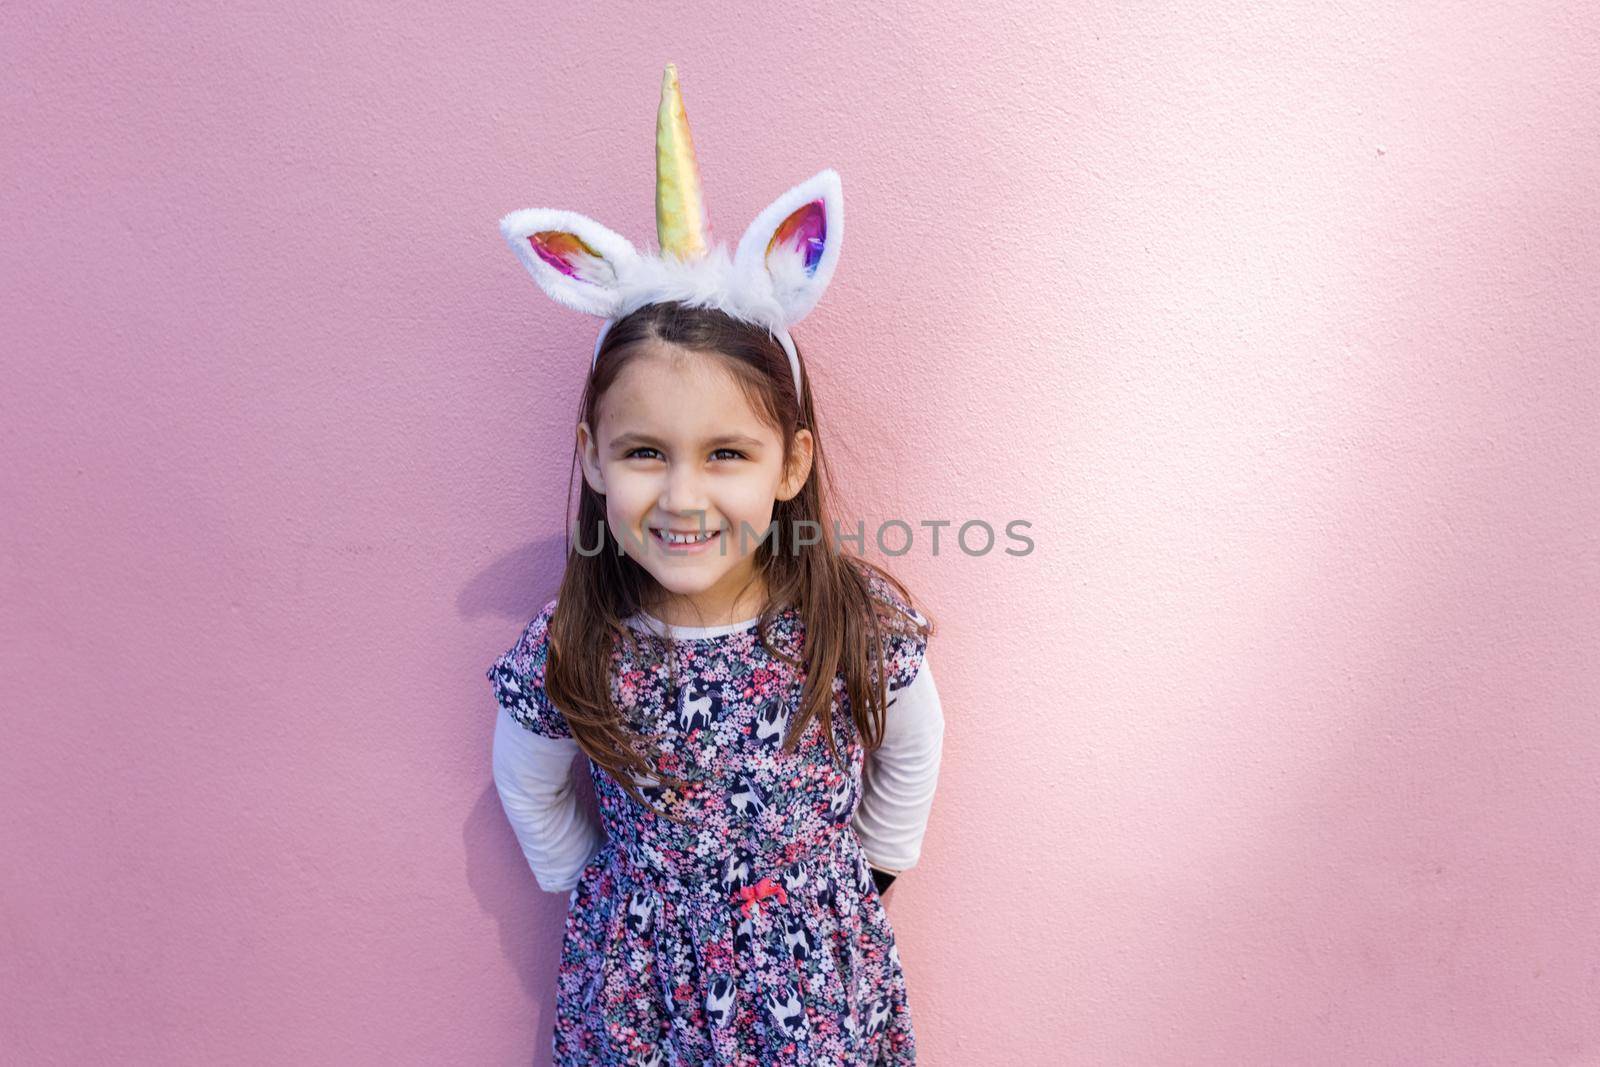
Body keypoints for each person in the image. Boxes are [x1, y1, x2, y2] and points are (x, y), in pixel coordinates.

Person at [486, 62, 945, 1065]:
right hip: (634, 988)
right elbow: (528, 780)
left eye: (726, 453)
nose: (683, 495)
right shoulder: (577, 637)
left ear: (791, 464)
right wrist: (604, 887)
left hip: (814, 987)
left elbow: (912, 741)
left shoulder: (847, 621)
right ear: (592, 458)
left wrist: (868, 867)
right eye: (645, 451)